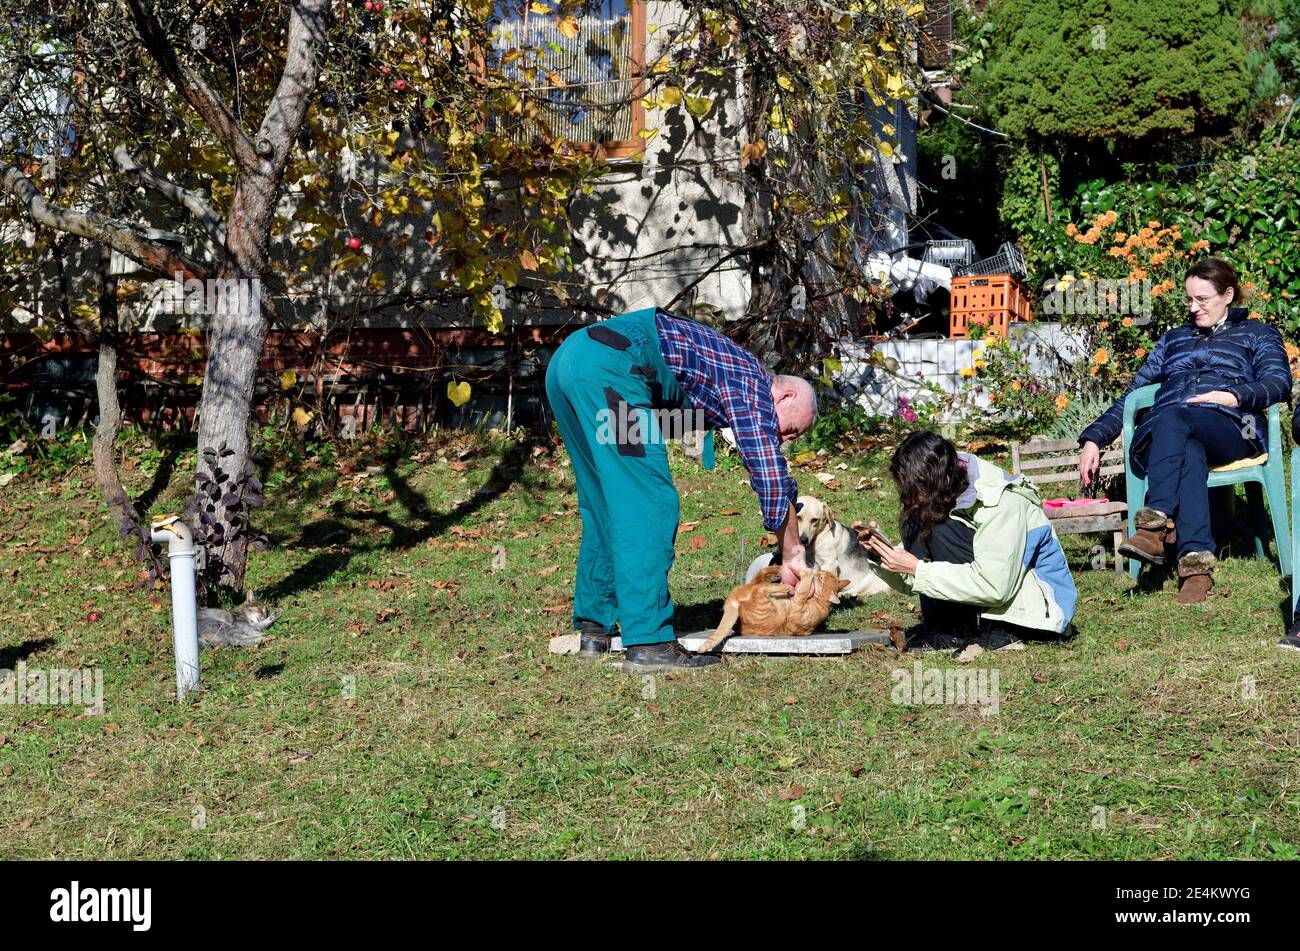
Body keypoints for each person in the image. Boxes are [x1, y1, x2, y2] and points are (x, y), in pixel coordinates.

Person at [544, 307, 817, 672]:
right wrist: (793, 552)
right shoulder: (753, 385)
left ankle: (595, 628)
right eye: (791, 431)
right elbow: (769, 473)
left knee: (605, 501)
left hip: (569, 362)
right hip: (610, 369)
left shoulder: (729, 371)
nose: (782, 440)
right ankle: (650, 641)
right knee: (648, 502)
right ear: (784, 398)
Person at [1077, 258, 1291, 605]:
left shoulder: (1257, 333)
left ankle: (1153, 525)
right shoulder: (1174, 339)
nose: (1193, 308)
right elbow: (1135, 392)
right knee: (1188, 446)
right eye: (1189, 300)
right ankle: (1195, 567)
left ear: (1228, 295)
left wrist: (1233, 395)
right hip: (1173, 433)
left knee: (1177, 416)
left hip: (1236, 428)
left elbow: (1279, 383)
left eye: (1202, 299)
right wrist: (1094, 437)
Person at [857, 431, 1078, 653]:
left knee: (939, 526)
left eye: (916, 491)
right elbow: (912, 580)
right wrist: (880, 553)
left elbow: (994, 586)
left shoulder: (1001, 500)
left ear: (938, 479)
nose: (913, 498)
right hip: (991, 597)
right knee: (916, 519)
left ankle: (973, 628)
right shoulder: (944, 492)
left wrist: (917, 568)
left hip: (1034, 614)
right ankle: (947, 629)